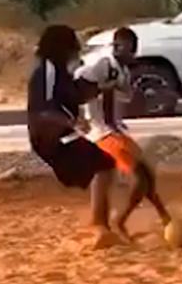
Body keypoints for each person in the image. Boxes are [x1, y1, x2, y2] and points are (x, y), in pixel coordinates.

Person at [75, 27, 172, 240]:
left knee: (145, 174)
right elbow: (78, 87)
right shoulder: (104, 65)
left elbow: (120, 96)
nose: (129, 54)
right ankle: (112, 224)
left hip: (113, 130)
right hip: (101, 132)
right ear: (116, 47)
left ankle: (124, 221)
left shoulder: (122, 71)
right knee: (136, 174)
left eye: (131, 50)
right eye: (124, 48)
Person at [27, 24, 119, 248]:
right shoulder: (47, 70)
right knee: (103, 166)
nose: (75, 53)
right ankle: (99, 227)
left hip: (59, 134)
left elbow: (74, 96)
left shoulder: (58, 72)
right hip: (51, 135)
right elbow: (43, 109)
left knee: (103, 167)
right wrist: (71, 122)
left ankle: (101, 226)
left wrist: (101, 87)